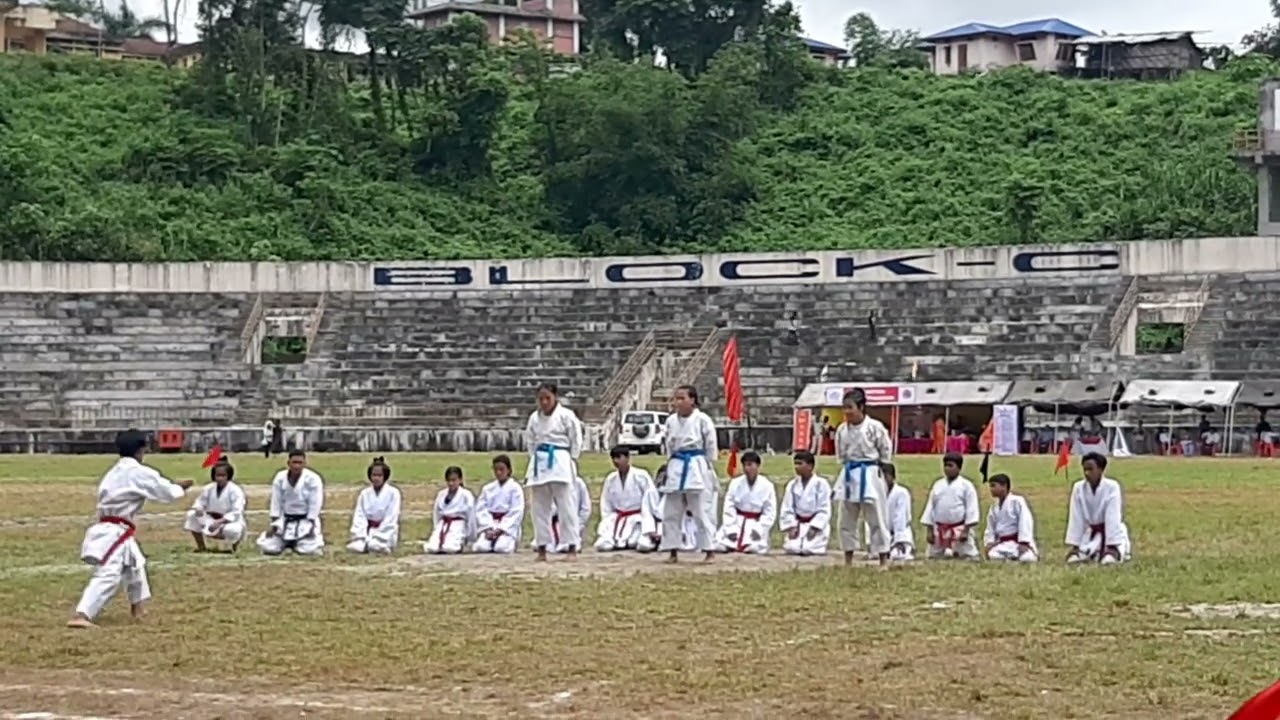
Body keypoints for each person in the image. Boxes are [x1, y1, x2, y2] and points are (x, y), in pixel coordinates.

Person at [68, 429, 193, 628]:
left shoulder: (114, 472)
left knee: (135, 564)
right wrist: (179, 488)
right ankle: (81, 614)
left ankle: (138, 607)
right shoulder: (138, 472)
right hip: (114, 530)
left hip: (113, 526)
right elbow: (167, 493)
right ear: (142, 449)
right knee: (109, 573)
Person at [835, 388, 894, 569]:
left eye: (850, 407)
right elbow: (841, 455)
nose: (846, 412)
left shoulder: (874, 427)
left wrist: (883, 471)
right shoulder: (842, 430)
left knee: (876, 516)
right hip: (850, 472)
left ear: (861, 407)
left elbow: (885, 450)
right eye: (844, 408)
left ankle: (883, 557)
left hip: (870, 472)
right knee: (846, 518)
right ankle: (848, 558)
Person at [659, 384, 718, 563]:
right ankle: (672, 550)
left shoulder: (702, 420)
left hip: (696, 464)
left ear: (692, 400)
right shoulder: (670, 421)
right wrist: (670, 465)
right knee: (671, 510)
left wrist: (706, 465)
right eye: (676, 398)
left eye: (682, 398)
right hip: (677, 464)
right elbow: (668, 446)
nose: (678, 402)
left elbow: (711, 445)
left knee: (700, 509)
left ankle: (709, 549)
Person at [525, 382, 583, 561]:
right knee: (539, 507)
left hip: (560, 459)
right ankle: (542, 547)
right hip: (540, 461)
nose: (544, 402)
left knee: (566, 505)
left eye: (547, 398)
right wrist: (535, 458)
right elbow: (530, 441)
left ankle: (572, 546)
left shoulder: (566, 415)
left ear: (555, 397)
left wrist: (571, 458)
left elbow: (576, 438)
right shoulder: (534, 418)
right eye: (540, 399)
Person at [1066, 452, 1132, 564]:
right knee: (1077, 558)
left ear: (1101, 469)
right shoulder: (1078, 488)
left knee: (1108, 560)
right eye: (1085, 469)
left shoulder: (1112, 487)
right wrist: (1075, 545)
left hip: (1111, 532)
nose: (1087, 473)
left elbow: (1113, 516)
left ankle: (1112, 550)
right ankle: (1084, 550)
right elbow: (1076, 517)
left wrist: (1112, 545)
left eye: (1091, 469)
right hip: (1090, 533)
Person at [256, 450, 326, 556]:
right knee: (268, 546)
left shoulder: (313, 479)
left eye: (300, 463)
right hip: (285, 520)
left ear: (305, 464)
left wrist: (311, 523)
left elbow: (315, 503)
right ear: (288, 463)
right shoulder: (280, 478)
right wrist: (274, 523)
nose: (297, 466)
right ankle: (289, 544)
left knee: (309, 549)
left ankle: (296, 544)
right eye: (294, 462)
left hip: (305, 520)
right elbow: (276, 501)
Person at [714, 451, 777, 554]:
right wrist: (731, 528)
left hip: (755, 522)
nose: (747, 469)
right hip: (737, 521)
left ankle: (754, 543)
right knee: (719, 545)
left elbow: (770, 511)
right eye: (744, 465)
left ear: (758, 466)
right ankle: (730, 541)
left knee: (754, 547)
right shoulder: (735, 483)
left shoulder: (767, 485)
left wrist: (759, 529)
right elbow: (729, 507)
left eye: (750, 465)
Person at [921, 453, 980, 560]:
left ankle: (957, 551)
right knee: (932, 556)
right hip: (940, 529)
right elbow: (930, 508)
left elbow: (971, 509)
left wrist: (966, 530)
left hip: (959, 529)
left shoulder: (966, 485)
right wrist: (929, 530)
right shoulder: (938, 484)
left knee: (969, 556)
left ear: (959, 468)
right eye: (945, 465)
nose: (947, 469)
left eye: (950, 465)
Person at [594, 447, 654, 551]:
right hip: (617, 518)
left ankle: (645, 538)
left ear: (627, 458)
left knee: (636, 543)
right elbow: (606, 503)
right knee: (602, 545)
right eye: (613, 458)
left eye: (618, 457)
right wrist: (607, 521)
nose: (615, 461)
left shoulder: (641, 475)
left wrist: (649, 523)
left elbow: (650, 499)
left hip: (638, 518)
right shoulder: (611, 479)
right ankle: (612, 539)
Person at [183, 456, 247, 553]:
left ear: (228, 476)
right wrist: (198, 509)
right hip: (211, 519)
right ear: (214, 476)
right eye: (218, 475)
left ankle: (234, 547)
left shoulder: (236, 491)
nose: (220, 478)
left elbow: (237, 511)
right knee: (191, 515)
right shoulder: (209, 488)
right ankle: (201, 547)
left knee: (233, 530)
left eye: (223, 476)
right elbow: (200, 502)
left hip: (228, 522)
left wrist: (220, 521)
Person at [780, 451, 832, 556]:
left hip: (814, 524)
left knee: (809, 549)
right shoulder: (792, 484)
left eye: (800, 464)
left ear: (810, 466)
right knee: (792, 548)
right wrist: (791, 526)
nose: (796, 467)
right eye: (795, 464)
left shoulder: (821, 484)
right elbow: (787, 508)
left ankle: (815, 539)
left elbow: (824, 509)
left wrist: (815, 527)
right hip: (798, 524)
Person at [346, 457, 402, 554]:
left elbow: (391, 517)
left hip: (386, 533)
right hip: (367, 530)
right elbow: (360, 515)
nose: (376, 478)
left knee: (375, 545)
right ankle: (363, 541)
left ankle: (380, 543)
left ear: (385, 476)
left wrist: (379, 535)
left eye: (379, 475)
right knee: (357, 547)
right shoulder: (364, 493)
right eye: (374, 475)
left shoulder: (393, 493)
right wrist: (361, 534)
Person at [475, 456, 525, 553]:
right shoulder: (488, 488)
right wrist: (488, 528)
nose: (498, 473)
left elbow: (516, 511)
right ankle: (490, 537)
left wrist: (500, 529)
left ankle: (510, 541)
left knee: (501, 548)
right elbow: (481, 510)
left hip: (507, 526)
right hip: (491, 523)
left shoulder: (515, 488)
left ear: (509, 470)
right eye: (496, 469)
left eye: (501, 469)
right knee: (481, 547)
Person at [983, 474, 1037, 563]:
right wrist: (989, 543)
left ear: (1004, 486)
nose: (991, 489)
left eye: (993, 486)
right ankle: (1011, 559)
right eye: (990, 486)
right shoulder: (994, 507)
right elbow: (990, 528)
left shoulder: (1017, 501)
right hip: (1003, 544)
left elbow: (1025, 521)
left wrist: (1023, 542)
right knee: (993, 555)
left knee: (1027, 558)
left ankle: (1013, 558)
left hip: (1017, 542)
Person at [424, 466, 476, 554]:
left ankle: (460, 543)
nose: (451, 483)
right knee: (432, 548)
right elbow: (436, 513)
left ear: (460, 480)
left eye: (454, 480)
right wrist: (437, 527)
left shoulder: (466, 495)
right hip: (443, 523)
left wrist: (470, 535)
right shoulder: (441, 494)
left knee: (450, 548)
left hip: (458, 524)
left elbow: (471, 515)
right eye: (449, 480)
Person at [544, 475, 591, 553]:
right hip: (553, 522)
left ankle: (570, 543)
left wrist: (578, 524)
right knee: (542, 544)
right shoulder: (548, 484)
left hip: (573, 522)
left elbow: (585, 509)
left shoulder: (578, 483)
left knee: (566, 544)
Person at [882, 463, 915, 563]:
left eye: (886, 476)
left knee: (897, 555)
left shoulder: (901, 493)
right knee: (876, 554)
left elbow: (900, 518)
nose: (883, 481)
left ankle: (900, 546)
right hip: (883, 534)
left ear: (893, 477)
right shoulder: (877, 493)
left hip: (900, 534)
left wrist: (898, 540)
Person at [636, 464, 670, 553]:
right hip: (652, 527)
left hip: (669, 528)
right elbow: (646, 513)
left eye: (665, 478)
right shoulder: (650, 493)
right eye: (660, 477)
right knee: (642, 545)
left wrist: (662, 533)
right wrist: (651, 532)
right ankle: (654, 541)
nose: (661, 481)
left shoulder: (673, 495)